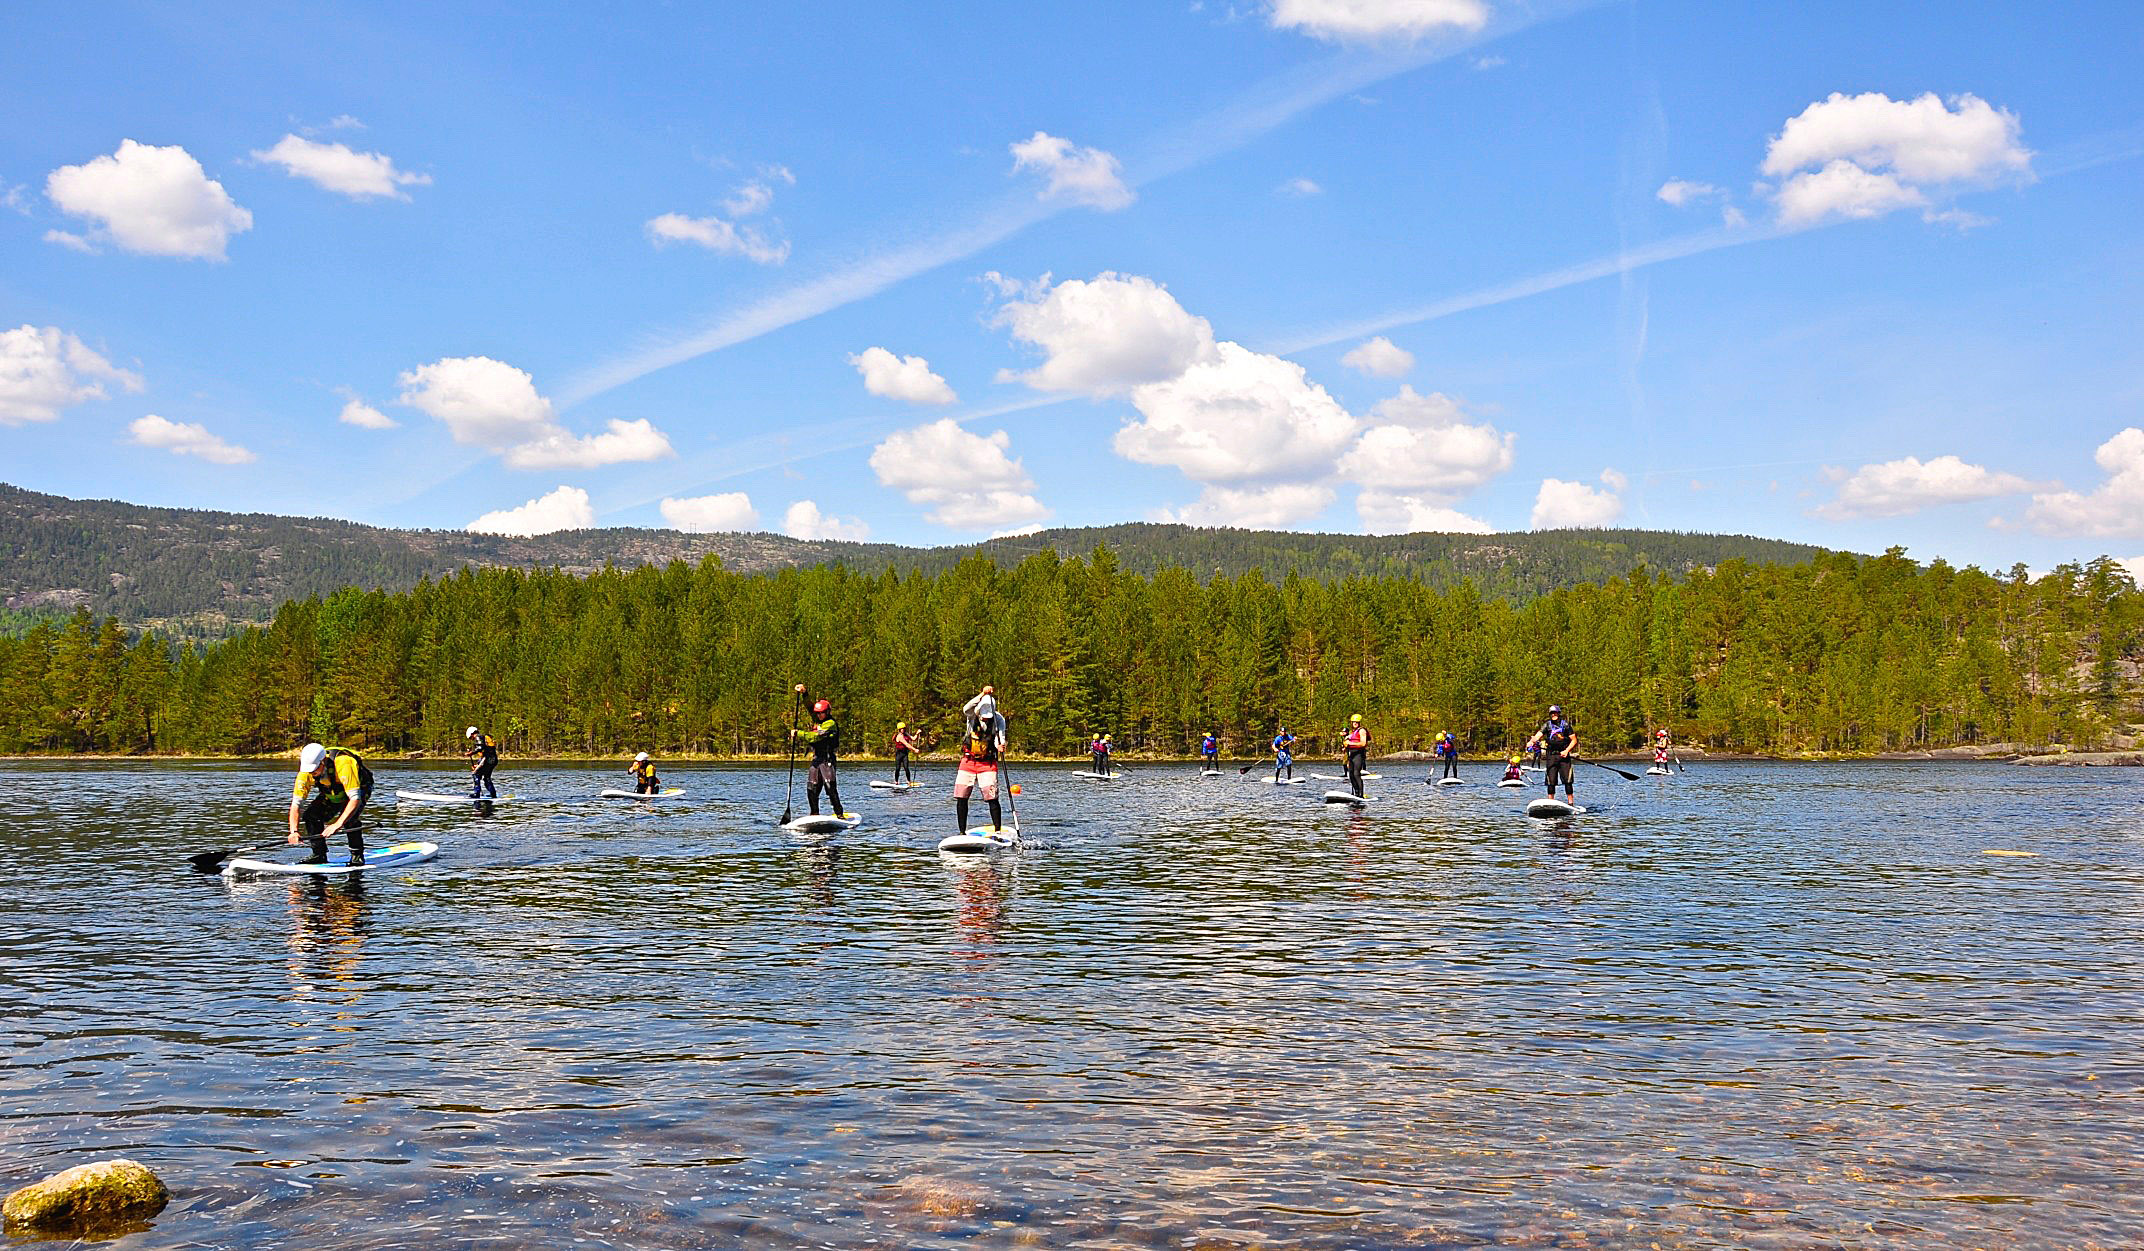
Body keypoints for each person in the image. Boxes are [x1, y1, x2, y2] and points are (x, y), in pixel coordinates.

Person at [288, 741, 371, 865]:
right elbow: (296, 804)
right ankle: (319, 854)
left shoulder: (344, 763)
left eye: (314, 770)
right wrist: (293, 831)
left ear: (323, 762)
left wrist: (337, 824)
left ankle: (357, 855)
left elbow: (355, 798)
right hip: (332, 792)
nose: (311, 773)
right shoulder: (305, 773)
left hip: (359, 790)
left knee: (350, 819)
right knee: (311, 816)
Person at [955, 692, 1009, 835]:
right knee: (961, 796)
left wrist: (1000, 746)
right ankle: (962, 832)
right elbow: (966, 708)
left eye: (988, 716)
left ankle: (997, 831)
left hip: (987, 763)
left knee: (992, 797)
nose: (986, 718)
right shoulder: (972, 715)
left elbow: (1000, 737)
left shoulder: (999, 720)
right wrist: (983, 694)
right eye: (984, 716)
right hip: (968, 761)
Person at [793, 697, 844, 817]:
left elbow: (814, 737)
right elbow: (810, 707)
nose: (819, 715)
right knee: (812, 788)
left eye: (821, 713)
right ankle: (814, 813)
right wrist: (804, 693)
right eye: (818, 713)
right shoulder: (818, 720)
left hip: (827, 759)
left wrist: (798, 733)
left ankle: (839, 813)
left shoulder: (830, 724)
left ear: (827, 712)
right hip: (817, 759)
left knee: (830, 787)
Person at [1536, 704, 1578, 802]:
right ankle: (1551, 802)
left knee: (1568, 781)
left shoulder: (1566, 725)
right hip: (1551, 756)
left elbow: (1574, 740)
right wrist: (1531, 742)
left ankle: (1570, 803)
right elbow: (1538, 735)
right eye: (1551, 713)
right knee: (1551, 781)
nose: (1553, 715)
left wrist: (1567, 751)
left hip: (1564, 756)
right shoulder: (1547, 725)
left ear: (1558, 713)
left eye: (1555, 713)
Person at [463, 725, 499, 798]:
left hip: (487, 759)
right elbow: (485, 752)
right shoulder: (484, 738)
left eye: (471, 738)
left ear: (472, 734)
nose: (472, 739)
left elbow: (480, 748)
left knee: (476, 774)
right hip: (493, 760)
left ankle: (477, 794)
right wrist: (478, 765)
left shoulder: (478, 737)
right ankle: (493, 794)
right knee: (486, 777)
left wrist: (471, 753)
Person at [1343, 713, 1369, 797]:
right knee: (1351, 775)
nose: (1355, 723)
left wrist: (1350, 743)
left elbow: (1363, 743)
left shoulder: (1362, 731)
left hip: (1359, 754)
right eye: (1353, 722)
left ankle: (1361, 795)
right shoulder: (1353, 732)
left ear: (1359, 722)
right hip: (1352, 754)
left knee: (1356, 774)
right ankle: (1356, 792)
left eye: (1356, 722)